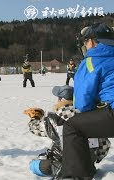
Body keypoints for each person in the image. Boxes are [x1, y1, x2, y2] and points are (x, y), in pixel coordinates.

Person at [61, 23, 114, 179]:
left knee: (73, 126)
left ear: (91, 41)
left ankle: (76, 175)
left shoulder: (91, 61)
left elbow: (83, 103)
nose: (85, 46)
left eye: (85, 42)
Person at [24, 85, 110, 179]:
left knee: (34, 165)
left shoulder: (53, 120)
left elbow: (35, 128)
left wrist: (35, 117)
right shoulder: (89, 118)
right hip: (86, 165)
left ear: (61, 100)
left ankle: (58, 168)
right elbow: (104, 144)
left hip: (61, 160)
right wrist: (96, 158)